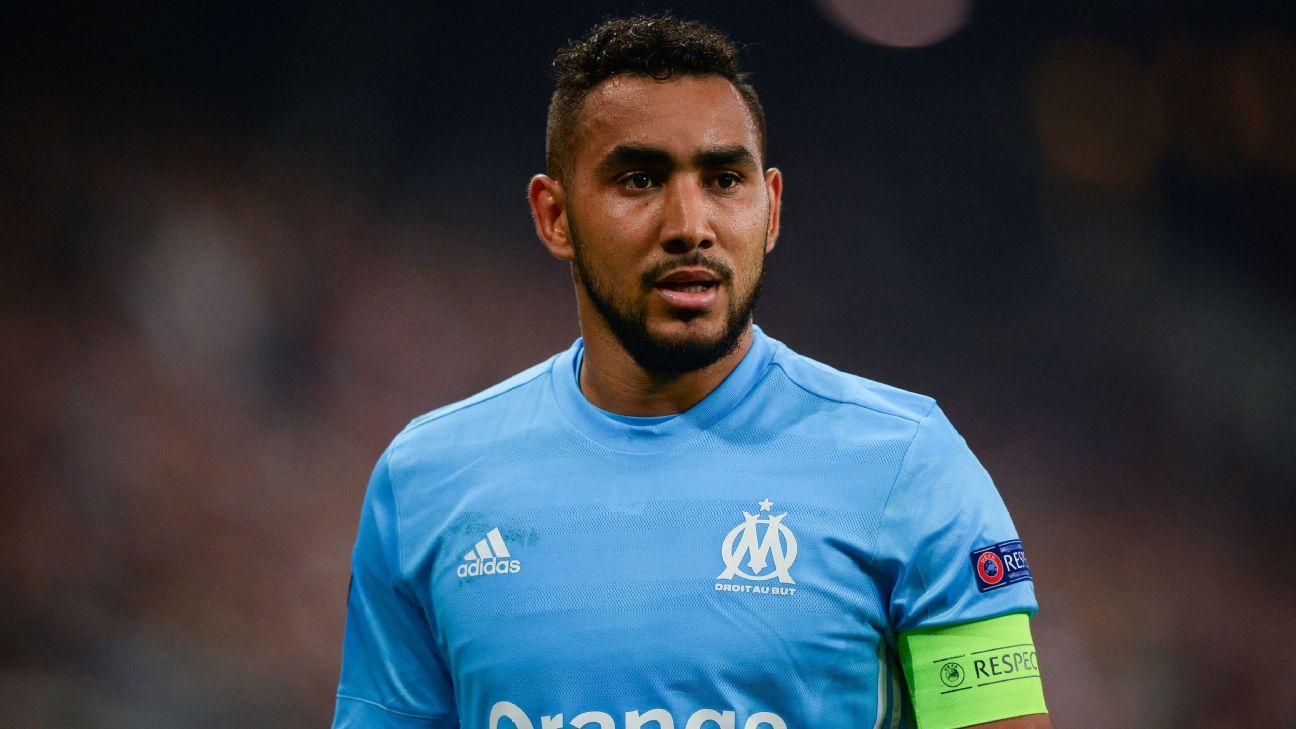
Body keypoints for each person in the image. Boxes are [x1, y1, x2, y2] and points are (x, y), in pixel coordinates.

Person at [331, 15, 1049, 729]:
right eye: (640, 179)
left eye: (724, 179)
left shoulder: (908, 466)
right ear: (554, 216)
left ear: (770, 209)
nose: (689, 225)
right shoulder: (425, 482)